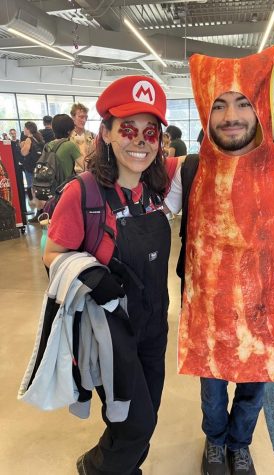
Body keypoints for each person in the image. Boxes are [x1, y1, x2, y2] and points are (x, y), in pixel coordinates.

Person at [167, 43, 274, 475]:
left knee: (254, 388)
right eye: (219, 104)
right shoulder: (188, 169)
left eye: (242, 102)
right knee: (211, 389)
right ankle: (215, 443)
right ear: (205, 113)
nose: (231, 115)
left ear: (260, 107)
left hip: (265, 308)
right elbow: (146, 210)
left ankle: (240, 445)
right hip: (208, 311)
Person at [43, 75, 181, 475]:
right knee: (137, 421)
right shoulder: (82, 194)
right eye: (128, 130)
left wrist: (266, 147)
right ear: (105, 133)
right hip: (109, 330)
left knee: (144, 413)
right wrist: (91, 275)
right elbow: (52, 253)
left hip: (154, 323)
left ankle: (121, 469)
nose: (140, 141)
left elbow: (215, 158)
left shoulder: (158, 186)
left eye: (150, 132)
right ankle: (96, 468)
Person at [20, 121, 44, 208]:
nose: (24, 130)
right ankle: (41, 208)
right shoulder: (38, 137)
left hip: (30, 167)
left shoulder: (28, 139)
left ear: (28, 129)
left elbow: (24, 153)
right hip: (39, 166)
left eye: (25, 128)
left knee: (32, 187)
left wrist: (22, 147)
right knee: (39, 188)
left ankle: (36, 207)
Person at [48, 114, 81, 179]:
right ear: (68, 131)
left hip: (50, 185)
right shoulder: (70, 145)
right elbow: (83, 166)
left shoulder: (48, 145)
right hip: (65, 185)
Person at [70, 102, 96, 172]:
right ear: (73, 117)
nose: (84, 120)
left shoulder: (93, 136)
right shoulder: (68, 137)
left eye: (86, 117)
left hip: (90, 173)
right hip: (73, 175)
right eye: (81, 117)